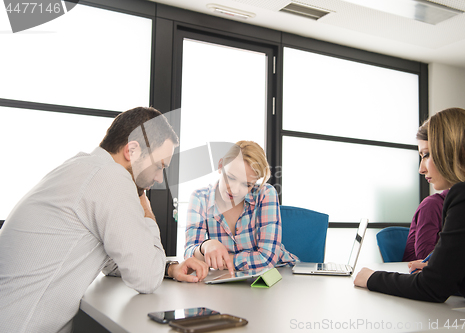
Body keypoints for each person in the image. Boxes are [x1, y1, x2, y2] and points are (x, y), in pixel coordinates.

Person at [0, 107, 209, 333]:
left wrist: (169, 268)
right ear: (132, 150)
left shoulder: (82, 167)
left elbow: (113, 262)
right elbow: (146, 278)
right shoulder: (111, 178)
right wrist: (147, 212)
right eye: (159, 166)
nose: (159, 178)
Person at [354, 108, 465, 319]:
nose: (421, 168)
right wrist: (444, 269)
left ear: (457, 150)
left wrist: (371, 277)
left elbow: (432, 288)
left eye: (426, 154)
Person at [184, 140, 298, 272]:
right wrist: (205, 246)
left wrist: (221, 261)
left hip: (280, 273)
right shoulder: (200, 198)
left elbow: (267, 259)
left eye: (247, 185)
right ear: (220, 166)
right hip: (230, 278)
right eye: (231, 178)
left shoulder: (265, 193)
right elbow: (190, 256)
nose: (235, 190)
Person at [402, 124, 449, 261]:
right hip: (416, 277)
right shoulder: (432, 204)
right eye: (423, 155)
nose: (421, 169)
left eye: (426, 155)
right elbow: (425, 259)